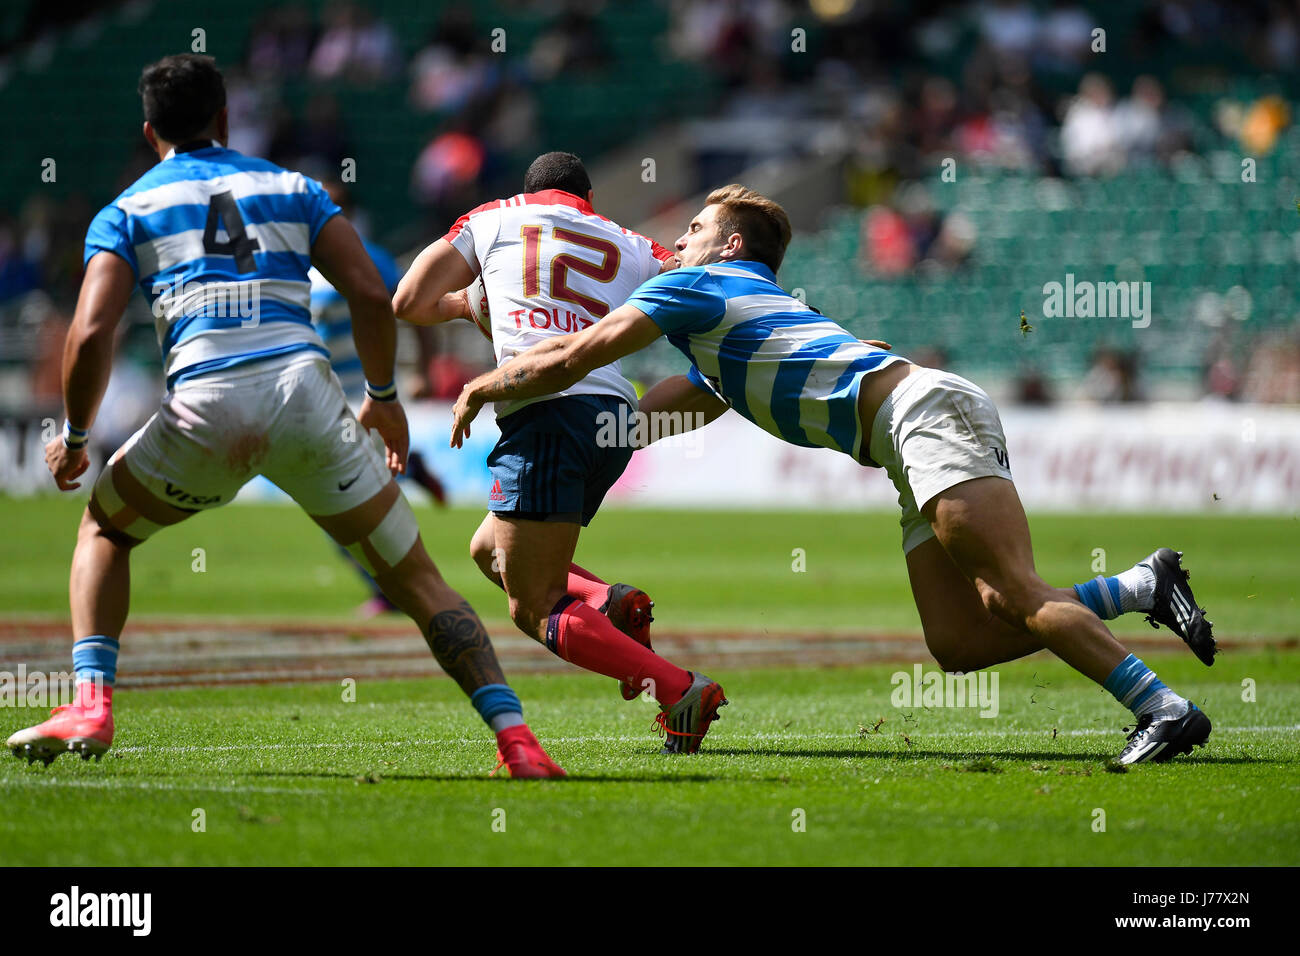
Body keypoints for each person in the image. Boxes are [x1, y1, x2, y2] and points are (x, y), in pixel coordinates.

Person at [449, 184, 1217, 765]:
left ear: (730, 245)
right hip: (906, 438)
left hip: (918, 419)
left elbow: (586, 353)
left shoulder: (694, 289)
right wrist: (580, 453)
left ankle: (1163, 707)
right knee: (960, 641)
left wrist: (493, 382)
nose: (676, 240)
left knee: (1014, 594)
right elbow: (643, 423)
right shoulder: (737, 326)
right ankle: (1139, 589)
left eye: (694, 229)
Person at [5, 54, 562, 778]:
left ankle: (91, 702)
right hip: (305, 394)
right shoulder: (293, 187)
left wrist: (77, 437)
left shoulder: (129, 208)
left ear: (150, 132)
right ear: (227, 116)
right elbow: (368, 291)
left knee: (106, 529)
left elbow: (88, 333)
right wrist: (386, 400)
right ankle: (517, 740)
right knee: (419, 581)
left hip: (203, 403)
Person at [393, 151, 725, 754]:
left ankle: (677, 689)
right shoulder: (633, 243)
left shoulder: (495, 217)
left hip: (546, 412)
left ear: (530, 188)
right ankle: (606, 601)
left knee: (533, 603)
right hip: (613, 424)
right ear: (588, 197)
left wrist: (469, 303)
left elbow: (409, 300)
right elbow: (712, 294)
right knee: (488, 549)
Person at [308, 179, 449, 617]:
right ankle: (410, 468)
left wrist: (424, 370)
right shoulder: (301, 265)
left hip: (365, 394)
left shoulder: (372, 258)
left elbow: (413, 309)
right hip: (319, 398)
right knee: (334, 500)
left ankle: (390, 589)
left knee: (340, 503)